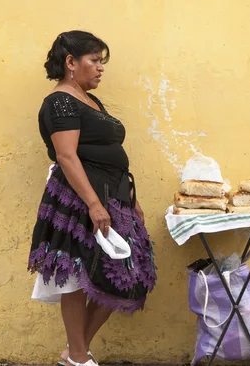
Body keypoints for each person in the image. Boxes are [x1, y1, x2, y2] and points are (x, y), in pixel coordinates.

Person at [27, 30, 157, 366]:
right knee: (75, 275)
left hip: (113, 196)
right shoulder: (61, 101)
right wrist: (94, 204)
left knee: (128, 274)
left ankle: (75, 352)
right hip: (80, 199)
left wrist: (130, 198)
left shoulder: (89, 100)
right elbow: (67, 156)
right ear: (71, 62)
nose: (101, 68)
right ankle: (80, 356)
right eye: (95, 60)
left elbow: (110, 153)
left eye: (103, 62)